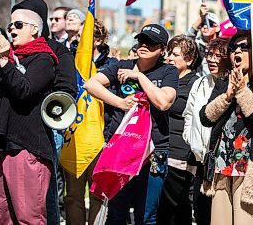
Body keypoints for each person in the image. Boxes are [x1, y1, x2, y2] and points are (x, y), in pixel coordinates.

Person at [84, 24, 178, 225]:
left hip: (153, 152)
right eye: (142, 41)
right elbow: (90, 84)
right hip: (121, 150)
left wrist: (140, 77)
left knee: (146, 216)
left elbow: (163, 102)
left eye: (151, 43)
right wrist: (119, 102)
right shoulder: (120, 66)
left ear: (162, 49)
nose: (144, 45)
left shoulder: (168, 71)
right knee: (117, 214)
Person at [0, 1, 59, 224]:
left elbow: (24, 91)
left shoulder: (44, 58)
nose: (12, 29)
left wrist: (6, 62)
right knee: (0, 214)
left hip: (24, 145)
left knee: (28, 216)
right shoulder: (3, 57)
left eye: (18, 24)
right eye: (9, 26)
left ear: (34, 29)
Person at [200, 31, 253, 225]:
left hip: (251, 167)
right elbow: (206, 117)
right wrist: (227, 96)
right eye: (233, 48)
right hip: (221, 165)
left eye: (244, 47)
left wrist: (242, 90)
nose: (237, 51)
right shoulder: (223, 84)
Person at [10, 0, 77, 225]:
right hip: (13, 132)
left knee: (44, 191)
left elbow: (67, 89)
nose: (13, 27)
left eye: (20, 22)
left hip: (45, 128)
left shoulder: (56, 50)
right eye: (13, 22)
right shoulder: (11, 51)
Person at [64, 19, 118, 225]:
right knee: (73, 197)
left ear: (98, 39)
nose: (78, 40)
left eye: (84, 36)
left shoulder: (111, 65)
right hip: (74, 138)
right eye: (78, 36)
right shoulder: (69, 61)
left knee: (98, 195)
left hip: (100, 139)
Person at [182, 38, 231, 225]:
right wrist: (191, 137)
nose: (212, 59)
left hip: (224, 163)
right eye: (210, 55)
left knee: (219, 216)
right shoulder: (201, 83)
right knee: (201, 212)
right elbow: (189, 113)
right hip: (201, 160)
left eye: (218, 56)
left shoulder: (232, 85)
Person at [157, 35, 199, 225]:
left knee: (177, 207)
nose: (169, 58)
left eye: (175, 54)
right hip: (159, 150)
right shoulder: (165, 78)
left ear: (189, 59)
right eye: (168, 54)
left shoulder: (195, 84)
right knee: (160, 209)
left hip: (180, 155)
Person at [186, 4, 221, 77]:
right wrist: (201, 18)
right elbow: (187, 40)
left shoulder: (222, 46)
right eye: (202, 24)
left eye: (210, 24)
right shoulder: (197, 45)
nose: (205, 26)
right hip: (199, 83)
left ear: (217, 28)